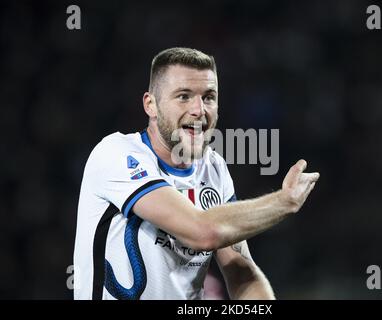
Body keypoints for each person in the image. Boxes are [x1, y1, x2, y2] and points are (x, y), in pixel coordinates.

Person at [73, 47, 320, 300]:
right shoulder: (116, 154)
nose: (199, 110)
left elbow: (241, 272)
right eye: (183, 96)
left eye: (209, 97)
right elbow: (202, 232)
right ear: (151, 105)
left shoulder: (214, 168)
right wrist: (283, 201)